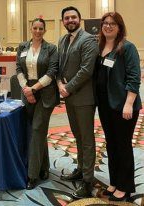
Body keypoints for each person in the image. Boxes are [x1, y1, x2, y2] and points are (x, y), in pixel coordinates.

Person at [95, 12, 141, 202]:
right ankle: (114, 181)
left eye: (112, 24)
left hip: (123, 106)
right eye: (105, 23)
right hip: (105, 105)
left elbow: (134, 77)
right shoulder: (100, 46)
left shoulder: (127, 48)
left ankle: (125, 186)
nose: (108, 26)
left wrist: (129, 104)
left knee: (123, 145)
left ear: (119, 27)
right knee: (111, 144)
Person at [57, 6, 98, 199]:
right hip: (69, 98)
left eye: (73, 17)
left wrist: (67, 88)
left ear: (79, 20)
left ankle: (88, 181)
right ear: (63, 21)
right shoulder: (63, 40)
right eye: (67, 18)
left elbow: (86, 70)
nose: (70, 20)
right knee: (78, 137)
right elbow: (59, 66)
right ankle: (81, 169)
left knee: (87, 140)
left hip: (83, 97)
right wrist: (59, 83)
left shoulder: (88, 39)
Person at [16, 17, 59, 190]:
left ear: (45, 30)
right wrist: (26, 88)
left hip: (45, 93)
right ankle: (44, 167)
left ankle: (32, 175)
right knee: (37, 133)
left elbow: (52, 71)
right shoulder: (22, 47)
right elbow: (19, 69)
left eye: (41, 29)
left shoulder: (51, 48)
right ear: (31, 29)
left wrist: (34, 89)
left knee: (36, 130)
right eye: (35, 28)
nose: (38, 31)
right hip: (27, 92)